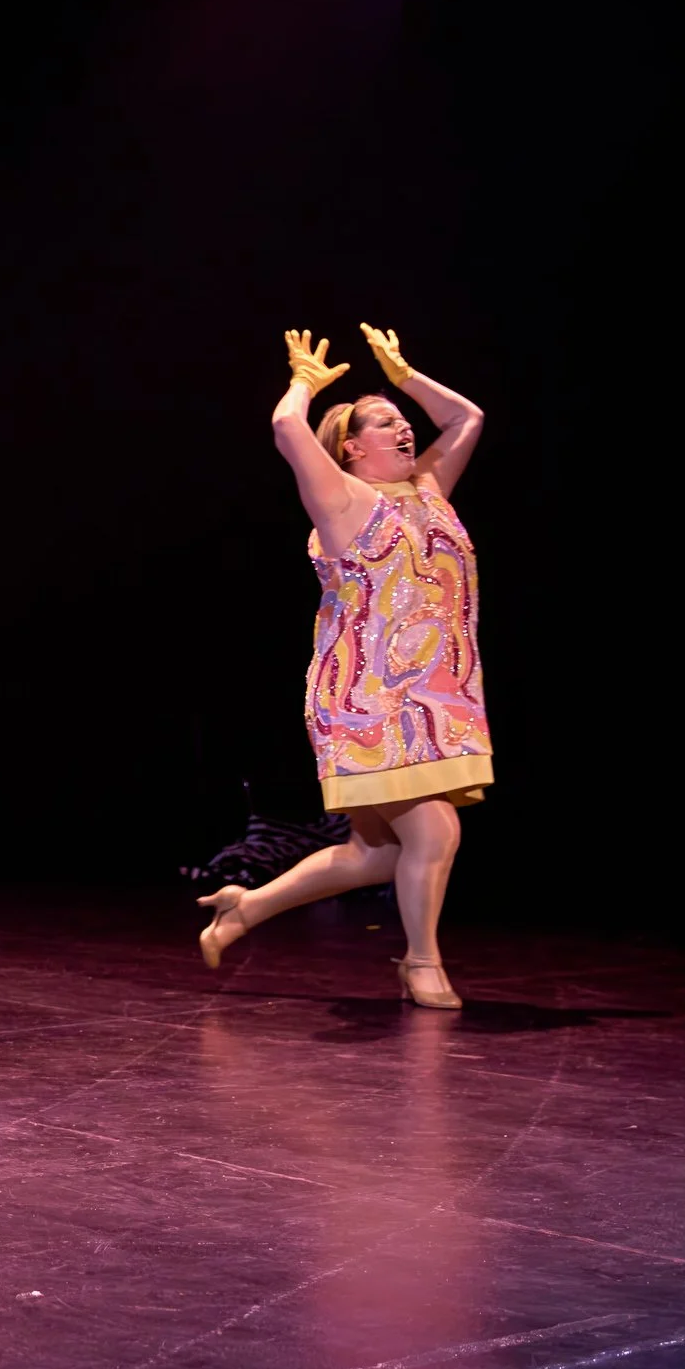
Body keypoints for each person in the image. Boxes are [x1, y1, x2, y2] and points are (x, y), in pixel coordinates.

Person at [196, 326, 488, 1008]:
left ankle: (244, 908)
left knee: (379, 853)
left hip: (437, 698)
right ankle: (421, 962)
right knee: (436, 828)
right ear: (353, 446)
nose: (405, 427)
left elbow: (467, 416)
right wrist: (304, 380)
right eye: (385, 422)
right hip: (369, 702)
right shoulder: (343, 501)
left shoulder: (431, 489)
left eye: (404, 420)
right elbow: (285, 426)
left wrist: (407, 373)